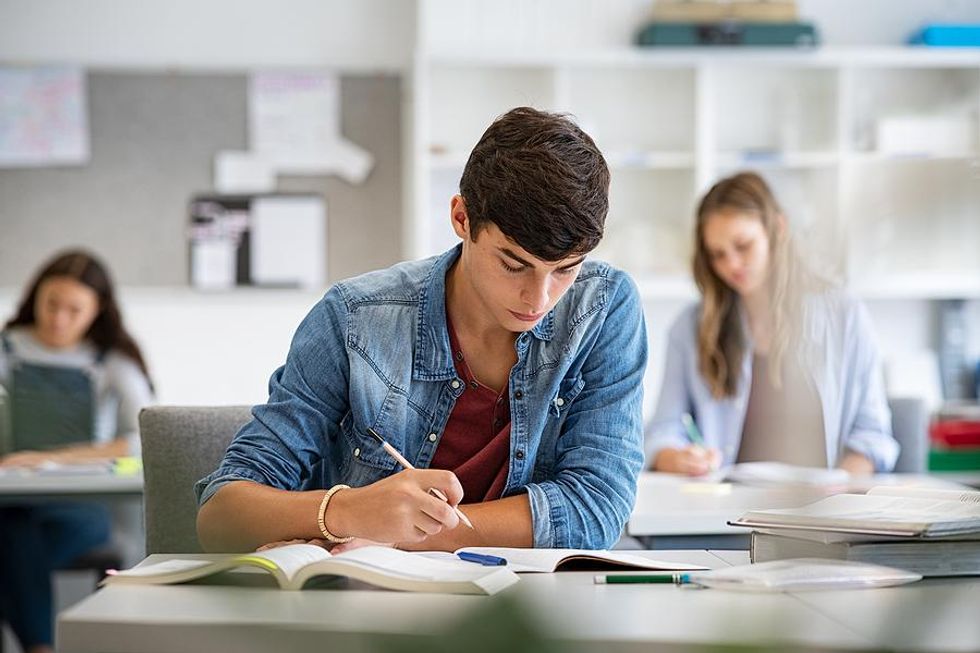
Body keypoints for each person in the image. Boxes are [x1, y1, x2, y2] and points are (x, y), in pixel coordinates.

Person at [195, 107, 647, 554]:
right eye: (513, 264)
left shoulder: (603, 308)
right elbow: (221, 515)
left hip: (525, 610)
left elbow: (596, 509)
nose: (539, 298)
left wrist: (396, 538)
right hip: (374, 607)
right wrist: (349, 510)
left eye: (565, 270)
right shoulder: (355, 319)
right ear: (461, 218)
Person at [646, 172, 898, 476]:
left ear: (777, 229)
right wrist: (677, 457)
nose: (732, 265)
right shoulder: (690, 327)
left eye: (743, 246)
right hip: (726, 514)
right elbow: (662, 430)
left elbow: (872, 436)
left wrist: (838, 494)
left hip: (822, 512)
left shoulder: (845, 316)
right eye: (717, 255)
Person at [0, 250, 154, 653]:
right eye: (51, 304)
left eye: (74, 309)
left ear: (97, 311)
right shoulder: (7, 348)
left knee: (11, 543)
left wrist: (49, 459)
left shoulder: (112, 362)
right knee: (13, 530)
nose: (59, 319)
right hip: (12, 504)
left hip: (86, 511)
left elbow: (144, 437)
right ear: (35, 296)